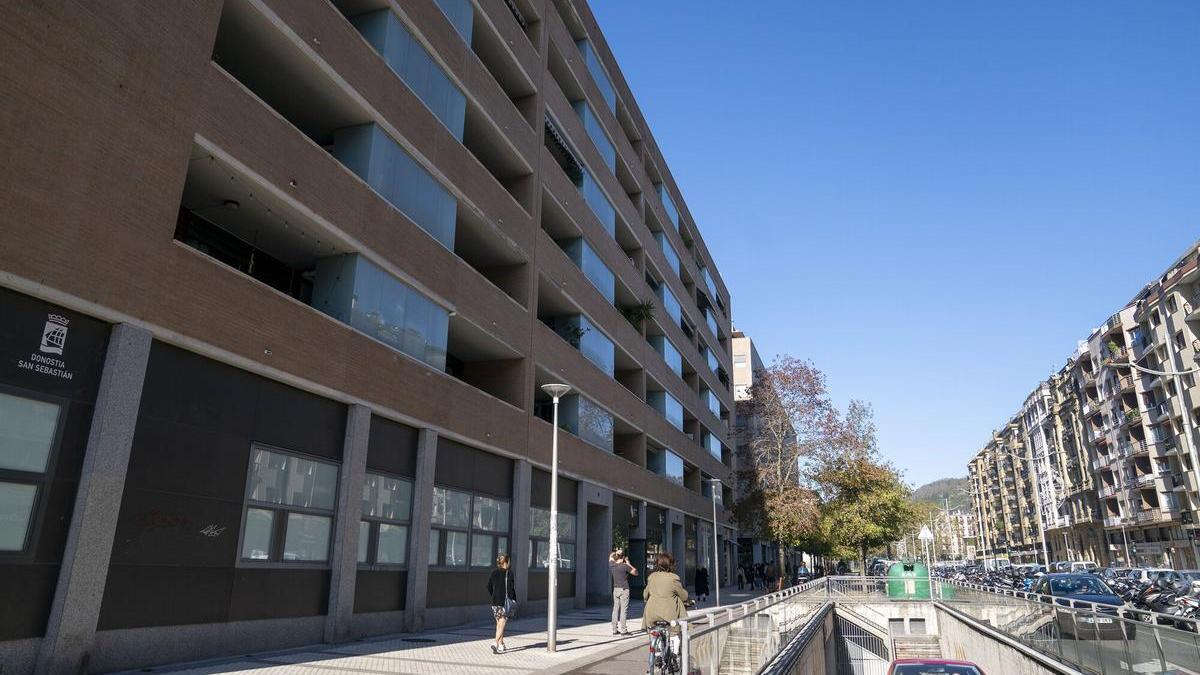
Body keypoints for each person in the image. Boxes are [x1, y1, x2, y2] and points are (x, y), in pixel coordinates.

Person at [642, 552, 690, 673]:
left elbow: (645, 594)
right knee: (675, 632)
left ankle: (657, 653)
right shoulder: (673, 578)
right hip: (669, 615)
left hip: (652, 614)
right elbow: (683, 596)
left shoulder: (651, 577)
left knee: (654, 630)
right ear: (670, 565)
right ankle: (673, 655)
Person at [486, 554, 517, 655]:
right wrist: (513, 600)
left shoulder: (493, 572)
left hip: (495, 602)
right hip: (504, 602)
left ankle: (501, 644)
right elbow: (511, 589)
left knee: (499, 624)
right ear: (506, 562)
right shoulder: (509, 573)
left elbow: (488, 587)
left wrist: (494, 595)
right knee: (502, 624)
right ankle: (495, 643)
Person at [609, 548, 638, 635]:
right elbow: (636, 573)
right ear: (624, 557)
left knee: (615, 609)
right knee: (623, 611)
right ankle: (624, 630)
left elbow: (610, 557)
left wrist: (615, 552)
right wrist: (629, 563)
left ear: (616, 557)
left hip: (616, 589)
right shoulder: (625, 566)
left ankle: (614, 629)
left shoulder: (612, 565)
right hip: (624, 589)